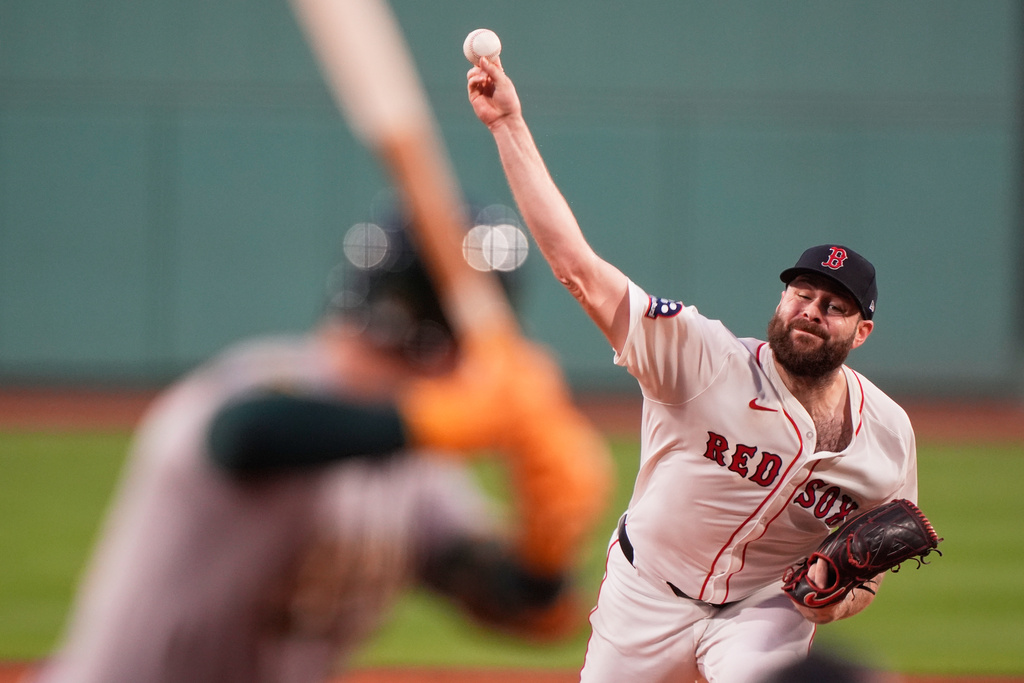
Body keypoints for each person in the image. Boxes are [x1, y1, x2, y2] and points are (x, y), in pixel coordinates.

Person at [467, 56, 918, 683]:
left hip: (768, 608)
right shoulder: (701, 357)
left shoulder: (889, 435)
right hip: (648, 590)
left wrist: (839, 596)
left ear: (861, 331)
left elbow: (875, 555)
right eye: (802, 295)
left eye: (834, 307)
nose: (811, 312)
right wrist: (508, 124)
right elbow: (578, 268)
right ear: (781, 298)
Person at [33, 200, 613, 683]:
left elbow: (509, 601)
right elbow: (246, 436)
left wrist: (546, 550)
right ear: (441, 346)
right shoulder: (264, 383)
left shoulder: (412, 470)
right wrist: (445, 419)